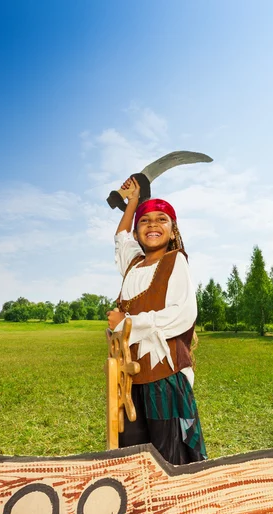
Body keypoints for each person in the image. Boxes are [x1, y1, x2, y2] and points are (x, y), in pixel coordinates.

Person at [107, 177, 207, 465]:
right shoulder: (133, 265)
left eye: (161, 219)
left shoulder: (176, 261)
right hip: (128, 379)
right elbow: (120, 238)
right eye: (144, 221)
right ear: (138, 232)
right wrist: (132, 203)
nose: (152, 225)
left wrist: (126, 323)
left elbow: (182, 314)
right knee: (132, 450)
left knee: (169, 454)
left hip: (165, 375)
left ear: (173, 229)